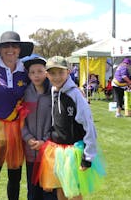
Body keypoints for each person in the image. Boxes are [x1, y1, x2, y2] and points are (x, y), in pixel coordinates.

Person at [32, 58, 105, 200]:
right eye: (52, 73)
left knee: (74, 192)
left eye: (61, 72)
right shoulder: (53, 91)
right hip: (58, 151)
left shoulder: (76, 94)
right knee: (60, 190)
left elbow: (88, 126)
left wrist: (88, 157)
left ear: (68, 72)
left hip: (74, 152)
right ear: (47, 75)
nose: (57, 77)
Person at [0, 31, 34, 200]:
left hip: (17, 132)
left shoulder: (26, 73)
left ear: (19, 50)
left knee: (15, 178)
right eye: (6, 46)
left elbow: (45, 88)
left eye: (14, 46)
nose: (10, 49)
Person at [21, 54, 57, 200]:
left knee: (49, 191)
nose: (36, 75)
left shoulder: (54, 93)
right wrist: (28, 138)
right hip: (31, 150)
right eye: (32, 72)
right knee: (33, 191)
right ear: (28, 75)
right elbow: (20, 120)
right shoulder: (24, 94)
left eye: (40, 71)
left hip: (49, 150)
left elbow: (57, 122)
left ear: (46, 72)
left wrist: (44, 140)